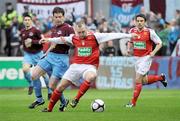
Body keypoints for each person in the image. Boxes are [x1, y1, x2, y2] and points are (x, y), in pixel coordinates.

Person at [40, 22, 138, 112]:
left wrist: (129, 35)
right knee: (60, 87)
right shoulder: (73, 37)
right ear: (76, 32)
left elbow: (112, 35)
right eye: (79, 33)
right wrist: (48, 39)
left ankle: (76, 99)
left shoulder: (95, 36)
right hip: (76, 66)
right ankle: (49, 109)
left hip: (89, 66)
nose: (81, 34)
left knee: (91, 76)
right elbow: (60, 39)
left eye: (83, 32)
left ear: (86, 29)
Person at [30, 7, 75, 111]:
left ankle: (63, 102)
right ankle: (39, 99)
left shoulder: (69, 28)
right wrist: (46, 53)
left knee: (52, 86)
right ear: (53, 18)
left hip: (61, 59)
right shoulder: (54, 28)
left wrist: (65, 41)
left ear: (63, 16)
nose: (58, 19)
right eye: (56, 17)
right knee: (33, 75)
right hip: (50, 56)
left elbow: (73, 43)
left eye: (60, 16)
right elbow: (54, 44)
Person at [125, 14, 168, 108]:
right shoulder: (132, 31)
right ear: (135, 22)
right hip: (136, 58)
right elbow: (130, 41)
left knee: (138, 79)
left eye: (141, 21)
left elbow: (159, 43)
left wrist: (153, 52)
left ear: (145, 22)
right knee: (143, 81)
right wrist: (128, 49)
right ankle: (161, 78)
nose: (139, 23)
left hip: (146, 58)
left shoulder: (149, 32)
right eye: (138, 21)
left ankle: (133, 103)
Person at [20, 14, 51, 109]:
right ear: (23, 21)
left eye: (28, 19)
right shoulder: (22, 31)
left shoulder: (36, 30)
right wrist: (25, 46)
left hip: (38, 54)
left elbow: (42, 41)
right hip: (28, 55)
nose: (27, 21)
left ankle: (50, 91)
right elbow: (24, 43)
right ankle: (30, 84)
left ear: (31, 21)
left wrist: (32, 42)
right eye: (25, 20)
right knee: (25, 70)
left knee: (44, 75)